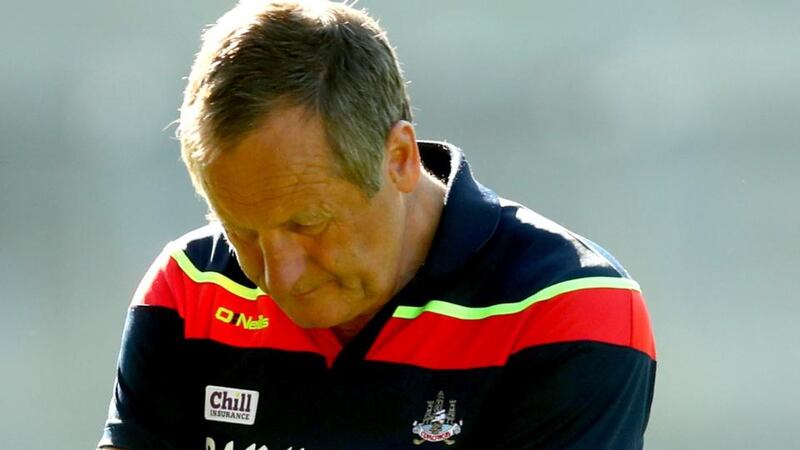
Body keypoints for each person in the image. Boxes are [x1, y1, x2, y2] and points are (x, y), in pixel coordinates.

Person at [98, 1, 656, 449]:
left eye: (309, 223)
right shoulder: (188, 289)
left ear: (399, 159)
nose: (279, 274)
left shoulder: (570, 309)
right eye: (240, 230)